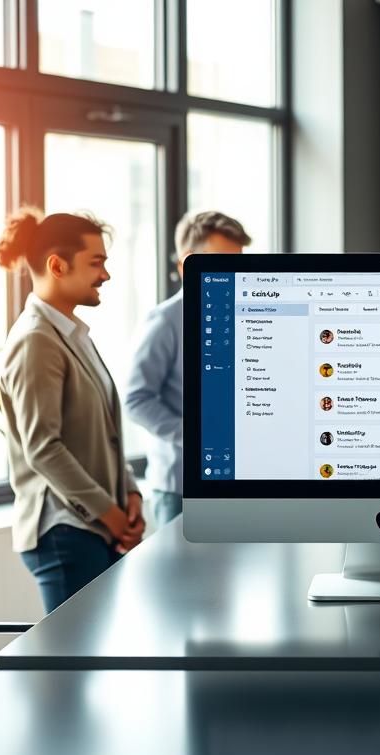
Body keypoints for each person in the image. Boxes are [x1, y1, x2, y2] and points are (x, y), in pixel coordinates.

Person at [0, 207, 145, 613]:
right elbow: (43, 448)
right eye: (96, 263)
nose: (106, 275)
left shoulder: (72, 333)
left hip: (93, 527)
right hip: (66, 531)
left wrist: (129, 493)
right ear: (57, 265)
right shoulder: (35, 340)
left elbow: (103, 431)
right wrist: (111, 516)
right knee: (75, 667)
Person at [125, 211, 251, 527]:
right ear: (187, 265)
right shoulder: (165, 321)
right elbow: (136, 400)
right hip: (180, 489)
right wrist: (196, 437)